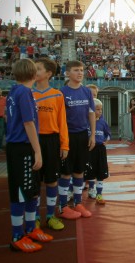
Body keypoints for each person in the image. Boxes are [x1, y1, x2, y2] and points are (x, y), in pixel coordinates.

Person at [6, 59, 53, 253]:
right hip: (22, 148)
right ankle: (18, 236)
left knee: (33, 189)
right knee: (20, 193)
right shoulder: (24, 92)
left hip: (20, 146)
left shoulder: (14, 91)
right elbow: (28, 123)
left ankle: (31, 228)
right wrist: (37, 151)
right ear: (34, 74)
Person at [32, 58, 69, 231]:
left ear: (48, 74)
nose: (35, 71)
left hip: (52, 141)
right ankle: (35, 218)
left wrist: (64, 145)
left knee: (52, 180)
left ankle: (50, 216)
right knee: (35, 181)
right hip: (34, 141)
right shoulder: (28, 93)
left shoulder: (57, 94)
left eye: (38, 69)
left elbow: (62, 122)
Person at [58, 60, 95, 219]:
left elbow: (91, 113)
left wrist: (92, 134)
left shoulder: (87, 92)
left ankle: (78, 203)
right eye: (75, 70)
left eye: (81, 70)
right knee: (66, 173)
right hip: (67, 136)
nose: (80, 73)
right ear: (67, 73)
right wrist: (62, 141)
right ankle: (63, 206)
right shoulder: (61, 92)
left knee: (79, 171)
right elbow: (59, 118)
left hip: (82, 135)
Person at [85, 99, 110, 205]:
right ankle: (89, 190)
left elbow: (108, 134)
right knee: (89, 171)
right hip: (89, 149)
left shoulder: (103, 122)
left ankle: (99, 194)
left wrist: (106, 141)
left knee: (101, 172)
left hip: (100, 149)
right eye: (97, 109)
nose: (100, 111)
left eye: (101, 109)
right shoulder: (86, 122)